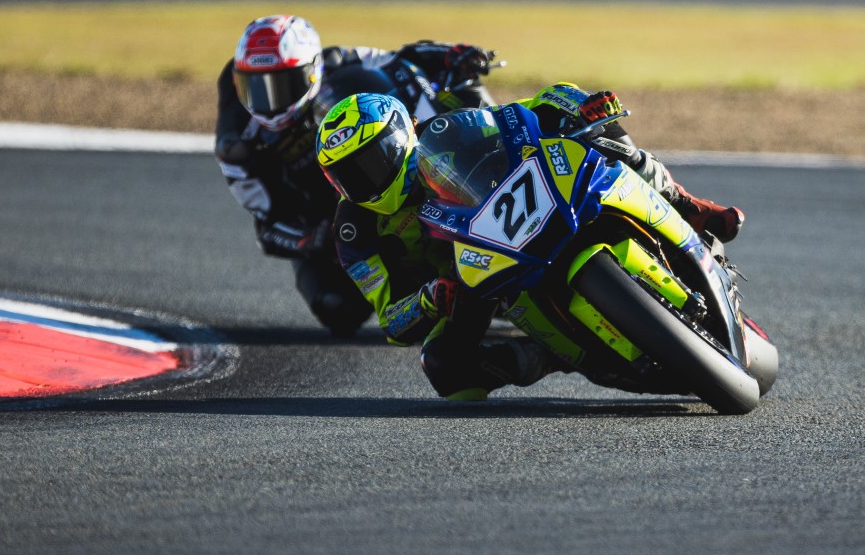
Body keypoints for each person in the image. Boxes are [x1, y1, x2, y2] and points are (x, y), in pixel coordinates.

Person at [315, 84, 745, 399]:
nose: (365, 182)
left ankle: (685, 204)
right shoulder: (354, 229)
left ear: (401, 135)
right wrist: (428, 299)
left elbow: (524, 112)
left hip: (529, 207)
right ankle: (551, 355)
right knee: (445, 368)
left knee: (602, 136)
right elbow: (390, 319)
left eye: (371, 162)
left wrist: (580, 107)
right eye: (347, 176)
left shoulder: (448, 128)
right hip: (471, 282)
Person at [213, 13, 498, 336]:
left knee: (458, 89)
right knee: (336, 307)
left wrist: (450, 56)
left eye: (280, 85)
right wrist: (311, 238)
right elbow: (267, 228)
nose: (268, 103)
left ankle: (497, 163)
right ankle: (426, 296)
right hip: (329, 223)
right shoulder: (236, 145)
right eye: (254, 88)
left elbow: (400, 59)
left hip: (396, 182)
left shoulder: (339, 62)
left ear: (311, 71)